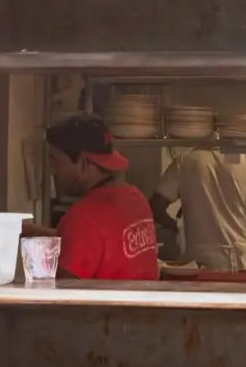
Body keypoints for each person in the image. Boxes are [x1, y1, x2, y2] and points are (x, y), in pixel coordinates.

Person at [26, 114, 158, 281]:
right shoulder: (136, 199)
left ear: (82, 163)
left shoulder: (83, 216)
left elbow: (65, 292)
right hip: (142, 298)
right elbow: (100, 239)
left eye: (54, 160)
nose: (51, 169)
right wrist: (26, 231)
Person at [150, 146, 246, 272]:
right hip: (240, 261)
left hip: (199, 262)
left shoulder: (183, 163)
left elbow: (155, 207)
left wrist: (172, 225)